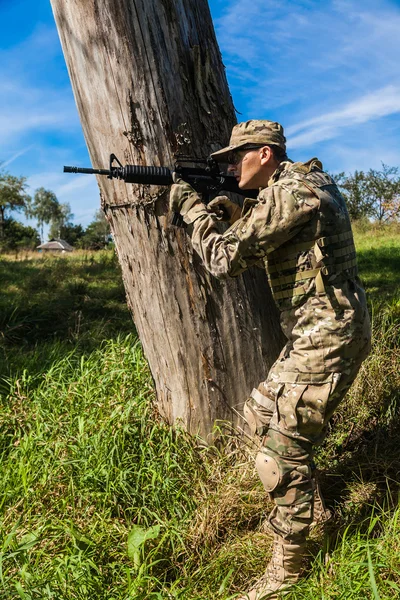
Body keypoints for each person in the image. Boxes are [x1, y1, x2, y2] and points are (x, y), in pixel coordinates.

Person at [169, 120, 371, 599]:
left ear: (264, 154)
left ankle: (288, 570)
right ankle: (307, 504)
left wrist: (193, 212)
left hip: (327, 333)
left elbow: (223, 262)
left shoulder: (290, 191)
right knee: (258, 413)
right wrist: (239, 209)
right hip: (323, 328)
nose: (230, 166)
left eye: (236, 157)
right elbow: (287, 233)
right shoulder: (303, 182)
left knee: (278, 448)